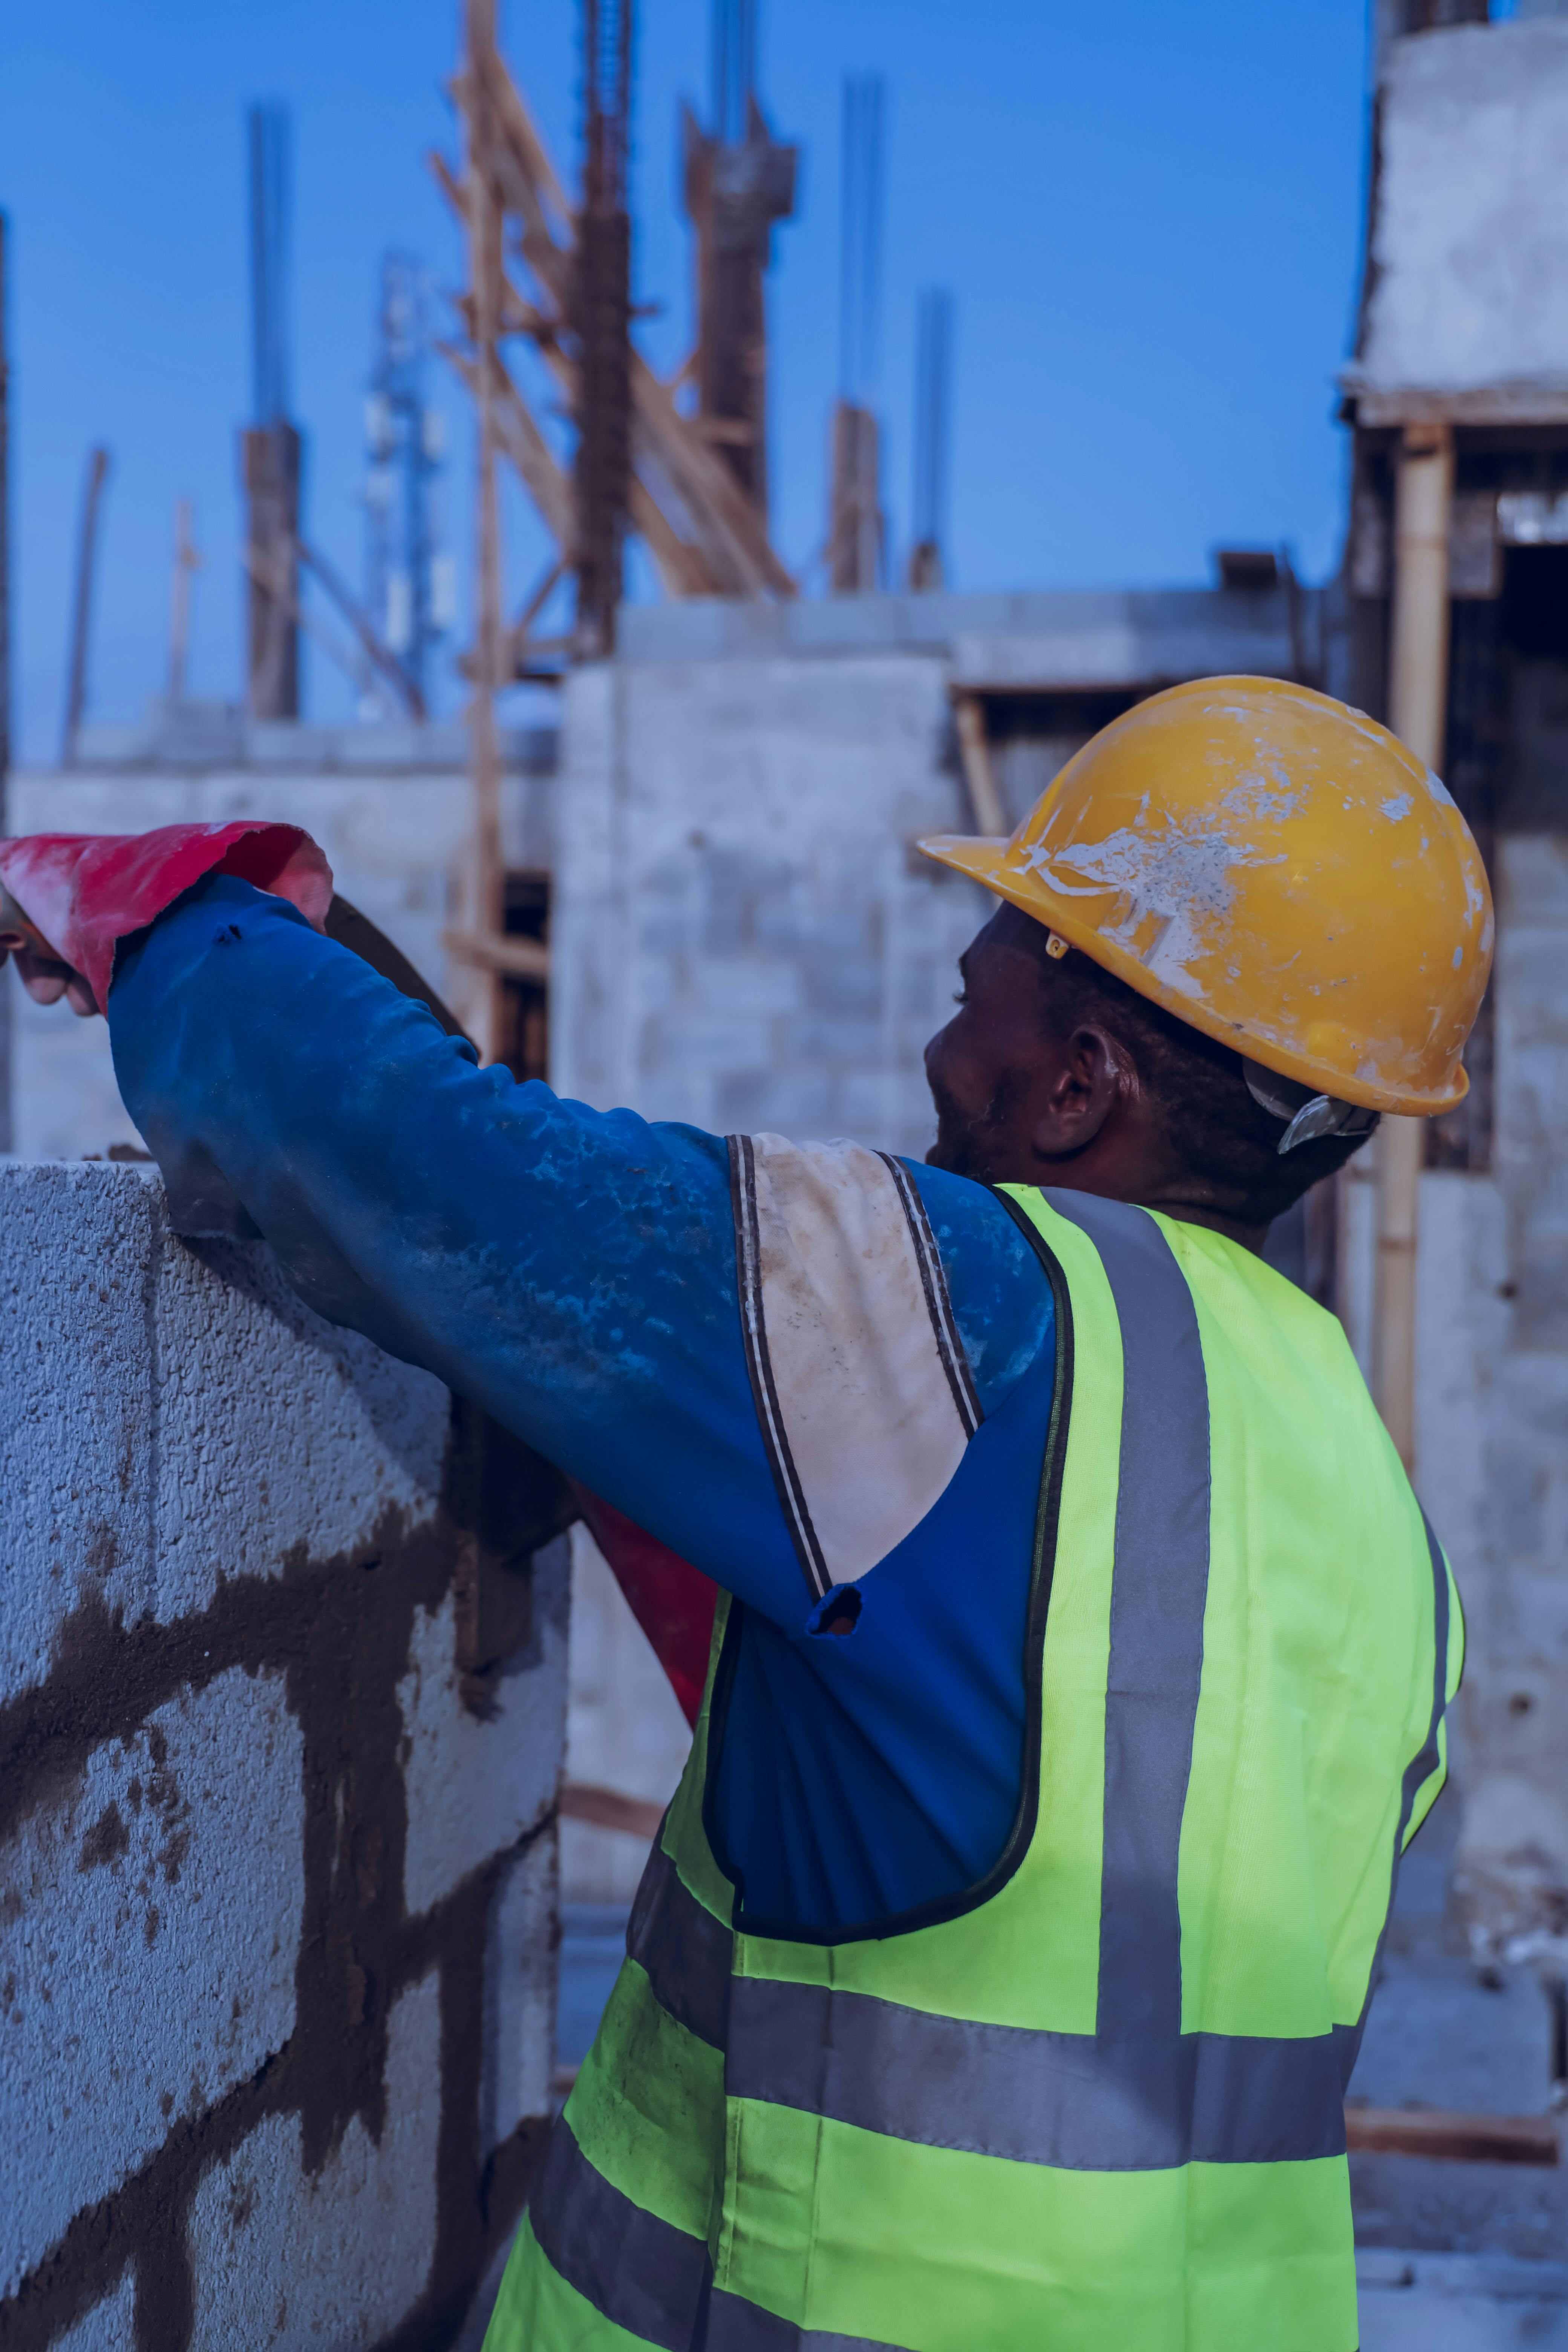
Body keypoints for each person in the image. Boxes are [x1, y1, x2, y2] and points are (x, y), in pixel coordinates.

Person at [1, 675, 1487, 2352]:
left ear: (1077, 1084)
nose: (935, 1055)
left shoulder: (969, 1315)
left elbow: (413, 1157)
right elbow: (939, 1778)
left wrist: (171, 908)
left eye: (970, 990)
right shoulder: (1363, 1500)